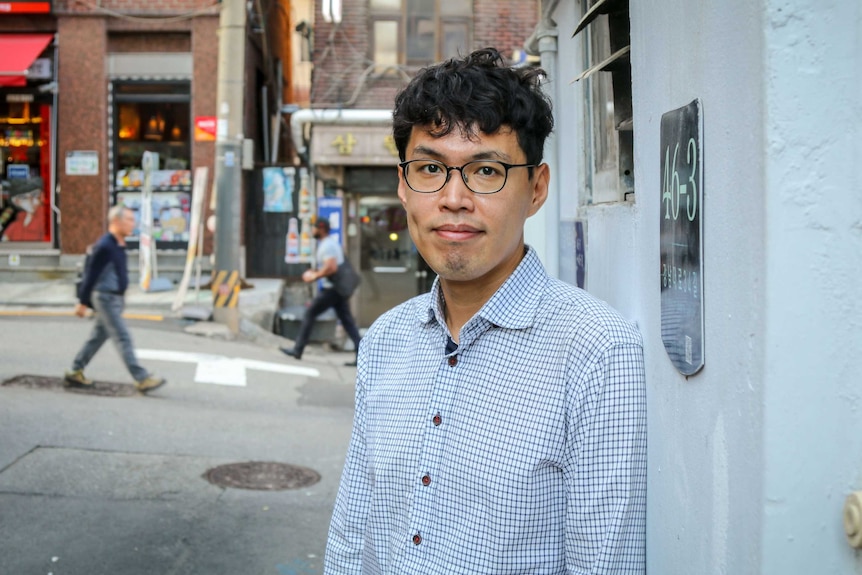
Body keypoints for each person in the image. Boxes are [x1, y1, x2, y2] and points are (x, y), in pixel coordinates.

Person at [324, 48, 647, 574]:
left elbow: (605, 564)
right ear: (403, 185)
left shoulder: (595, 352)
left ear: (536, 188)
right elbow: (352, 527)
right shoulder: (386, 339)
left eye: (487, 170)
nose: (454, 198)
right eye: (430, 168)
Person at [64, 205, 166, 394]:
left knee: (97, 338)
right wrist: (82, 302)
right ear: (116, 221)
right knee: (122, 337)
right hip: (105, 297)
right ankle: (142, 378)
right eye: (128, 220)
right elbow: (90, 275)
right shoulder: (105, 246)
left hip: (115, 298)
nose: (132, 224)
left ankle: (75, 370)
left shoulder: (119, 244)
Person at [280, 219, 362, 365]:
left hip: (332, 289)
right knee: (347, 321)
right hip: (336, 289)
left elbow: (331, 267)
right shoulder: (329, 244)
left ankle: (298, 349)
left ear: (321, 229)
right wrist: (316, 272)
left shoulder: (328, 245)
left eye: (314, 228)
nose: (312, 231)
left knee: (310, 313)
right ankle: (362, 354)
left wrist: (314, 276)